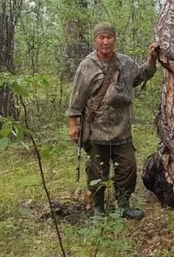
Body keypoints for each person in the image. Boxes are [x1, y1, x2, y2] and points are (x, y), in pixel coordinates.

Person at [67, 23, 159, 220]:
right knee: (96, 172)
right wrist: (73, 126)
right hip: (96, 130)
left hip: (122, 130)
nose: (105, 41)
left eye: (109, 37)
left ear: (114, 39)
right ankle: (99, 210)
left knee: (128, 169)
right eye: (101, 37)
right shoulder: (87, 66)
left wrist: (152, 59)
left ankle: (123, 206)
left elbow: (141, 75)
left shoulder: (125, 62)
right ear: (95, 40)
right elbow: (76, 99)